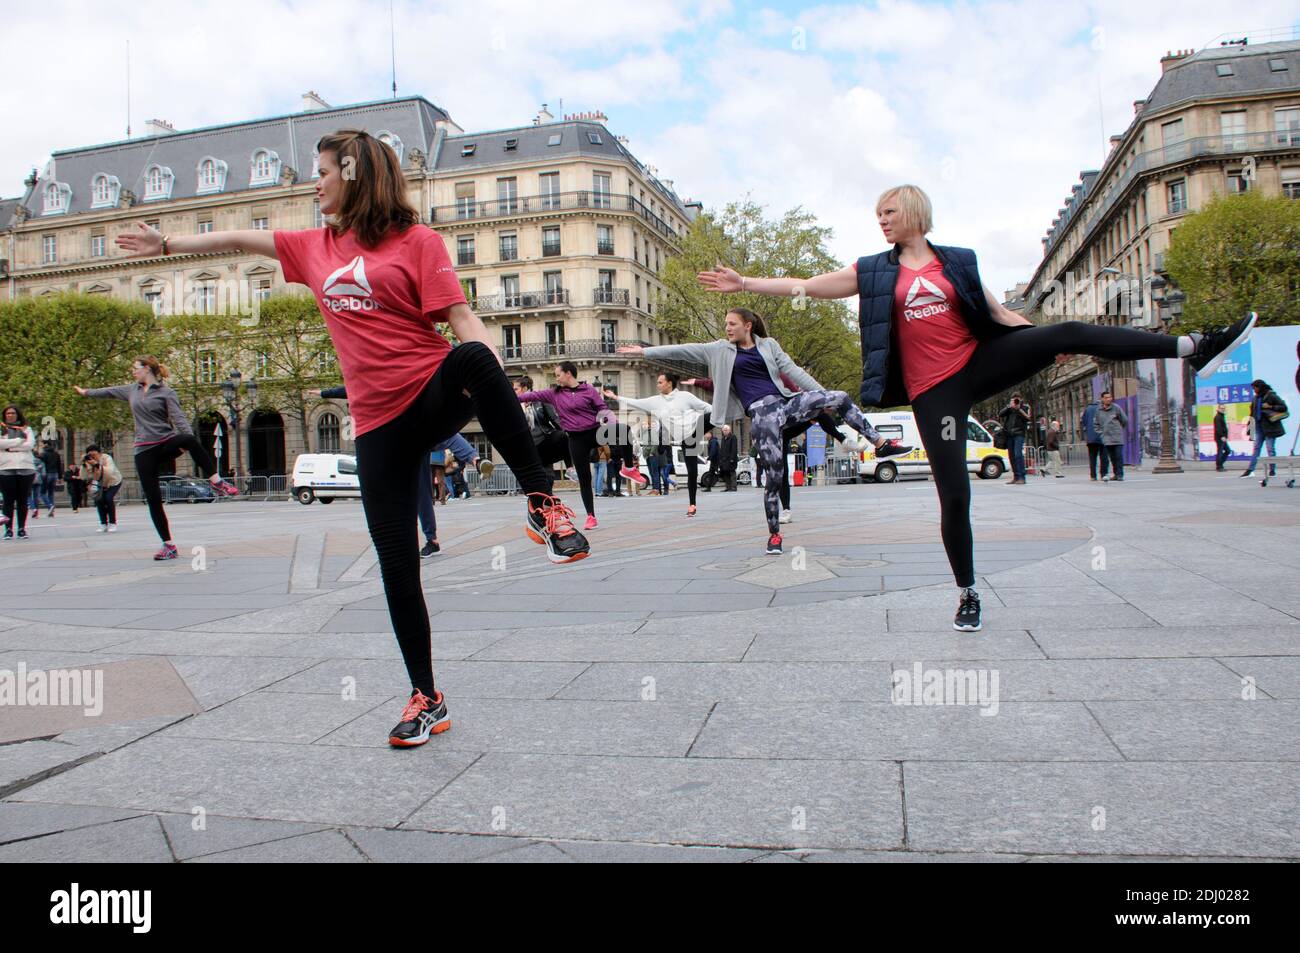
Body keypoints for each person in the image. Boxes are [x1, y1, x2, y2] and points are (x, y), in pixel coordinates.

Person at [115, 128, 588, 749]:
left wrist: (499, 384)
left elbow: (462, 321)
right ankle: (427, 697)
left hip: (428, 392)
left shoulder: (417, 242)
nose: (315, 182)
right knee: (397, 566)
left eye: (323, 171)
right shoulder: (315, 246)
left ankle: (541, 503)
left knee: (473, 356)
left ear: (354, 173)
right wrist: (166, 242)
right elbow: (236, 237)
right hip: (377, 426)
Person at [698, 183, 1256, 629]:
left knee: (1074, 328)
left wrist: (1039, 340)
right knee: (955, 493)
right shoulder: (873, 269)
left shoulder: (958, 260)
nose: (882, 220)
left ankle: (1191, 347)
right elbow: (809, 285)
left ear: (915, 211)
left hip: (978, 361)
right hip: (934, 391)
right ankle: (967, 591)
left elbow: (998, 313)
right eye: (878, 215)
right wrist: (745, 281)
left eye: (889, 211)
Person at [621, 309, 910, 554]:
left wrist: (820, 395)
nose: (727, 328)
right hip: (761, 415)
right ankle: (774, 535)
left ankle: (879, 442)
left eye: (732, 324)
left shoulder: (769, 345)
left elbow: (795, 372)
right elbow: (684, 349)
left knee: (840, 396)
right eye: (725, 325)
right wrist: (645, 351)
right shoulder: (720, 349)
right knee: (774, 475)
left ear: (747, 325)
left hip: (786, 404)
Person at [75, 356, 240, 559]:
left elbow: (179, 418)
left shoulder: (166, 393)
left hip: (164, 443)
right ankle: (168, 545)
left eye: (135, 368)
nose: (133, 372)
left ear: (146, 369)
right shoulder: (131, 390)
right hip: (143, 451)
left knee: (189, 438)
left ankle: (216, 482)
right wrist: (86, 393)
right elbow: (109, 391)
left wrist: (186, 441)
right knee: (153, 500)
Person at [516, 362, 645, 529]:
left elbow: (603, 409)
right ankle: (591, 516)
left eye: (558, 375)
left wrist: (612, 423)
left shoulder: (589, 390)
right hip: (576, 439)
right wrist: (506, 395)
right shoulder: (553, 394)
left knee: (624, 430)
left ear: (568, 374)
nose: (556, 378)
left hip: (595, 432)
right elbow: (528, 397)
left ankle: (628, 468)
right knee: (585, 479)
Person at [603, 372, 712, 516]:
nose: (658, 385)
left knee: (717, 413)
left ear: (669, 383)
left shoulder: (685, 396)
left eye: (660, 382)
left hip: (697, 425)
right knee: (692, 471)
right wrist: (616, 397)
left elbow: (706, 407)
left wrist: (714, 422)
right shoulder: (655, 401)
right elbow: (636, 402)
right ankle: (692, 504)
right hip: (686, 439)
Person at [513, 375, 570, 478]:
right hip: (529, 447)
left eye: (516, 389)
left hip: (544, 442)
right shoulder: (514, 406)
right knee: (541, 477)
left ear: (525, 388)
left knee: (562, 435)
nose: (514, 392)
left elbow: (554, 419)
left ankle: (570, 468)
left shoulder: (539, 401)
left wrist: (568, 432)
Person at [0, 405, 37, 540]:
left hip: (25, 467)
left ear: (18, 415)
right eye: (8, 413)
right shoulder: (1, 428)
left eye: (13, 413)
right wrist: (18, 441)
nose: (10, 415)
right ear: (4, 415)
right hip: (5, 468)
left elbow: (30, 445)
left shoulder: (27, 429)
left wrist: (8, 446)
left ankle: (22, 528)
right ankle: (8, 529)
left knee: (22, 500)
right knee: (8, 500)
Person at [1242, 378, 1288, 478]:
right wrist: (1251, 430)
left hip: (1270, 427)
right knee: (1256, 448)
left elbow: (1283, 407)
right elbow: (1252, 414)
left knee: (1270, 449)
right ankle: (1250, 469)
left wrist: (1270, 407)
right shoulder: (1255, 398)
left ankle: (1272, 470)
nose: (1254, 390)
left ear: (1260, 387)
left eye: (1255, 388)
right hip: (1258, 427)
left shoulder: (1271, 395)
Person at [83, 445, 123, 532]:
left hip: (114, 481)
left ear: (99, 453)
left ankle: (112, 523)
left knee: (108, 499)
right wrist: (84, 465)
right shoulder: (89, 462)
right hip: (101, 484)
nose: (92, 456)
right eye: (90, 454)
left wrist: (97, 465)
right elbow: (85, 476)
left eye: (94, 453)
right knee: (99, 500)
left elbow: (109, 471)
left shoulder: (106, 458)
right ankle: (103, 523)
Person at [1095, 391, 1128, 481]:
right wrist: (1101, 433)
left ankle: (1120, 474)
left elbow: (1124, 420)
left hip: (1117, 437)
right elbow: (1096, 423)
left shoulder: (1116, 408)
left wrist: (1118, 429)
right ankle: (1115, 474)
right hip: (1106, 438)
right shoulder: (1099, 410)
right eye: (1106, 397)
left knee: (1118, 457)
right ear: (1102, 399)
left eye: (1110, 397)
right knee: (1111, 458)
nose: (1109, 399)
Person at [999, 394, 1031, 484]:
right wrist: (1008, 407)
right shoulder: (1009, 409)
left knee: (1018, 455)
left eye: (1016, 400)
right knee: (1011, 456)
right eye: (1013, 400)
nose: (1015, 402)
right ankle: (1016, 476)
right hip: (1009, 435)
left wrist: (1019, 409)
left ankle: (1022, 477)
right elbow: (1000, 414)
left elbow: (1028, 418)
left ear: (1021, 399)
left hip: (1019, 434)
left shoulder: (1025, 407)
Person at [1081, 398, 1107, 481]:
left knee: (1092, 458)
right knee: (1103, 457)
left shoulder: (1088, 409)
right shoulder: (1103, 409)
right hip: (1102, 437)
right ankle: (1103, 474)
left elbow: (1084, 422)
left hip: (1091, 438)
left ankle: (1093, 475)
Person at [37, 441, 62, 518]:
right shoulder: (56, 454)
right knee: (51, 492)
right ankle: (51, 510)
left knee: (42, 493)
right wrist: (60, 477)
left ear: (45, 446)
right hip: (55, 474)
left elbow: (38, 460)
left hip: (47, 474)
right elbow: (59, 465)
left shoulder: (44, 454)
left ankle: (49, 506)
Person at [718, 424, 740, 492]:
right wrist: (720, 459)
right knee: (726, 474)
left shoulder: (733, 437)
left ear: (729, 430)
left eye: (726, 430)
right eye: (723, 430)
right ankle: (728, 487)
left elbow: (734, 449)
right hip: (724, 460)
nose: (724, 432)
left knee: (732, 473)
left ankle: (733, 487)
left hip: (731, 459)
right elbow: (722, 449)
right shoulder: (723, 438)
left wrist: (732, 459)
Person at [1213, 404, 1231, 471]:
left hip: (1222, 437)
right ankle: (1219, 466)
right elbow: (1218, 428)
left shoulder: (1221, 416)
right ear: (1218, 409)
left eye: (1224, 408)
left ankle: (1220, 464)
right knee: (1220, 451)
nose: (1223, 409)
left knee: (1227, 450)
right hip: (1220, 437)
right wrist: (1222, 436)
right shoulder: (1218, 417)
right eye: (1221, 408)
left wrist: (1225, 436)